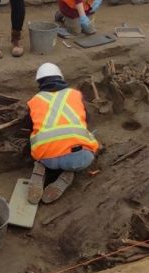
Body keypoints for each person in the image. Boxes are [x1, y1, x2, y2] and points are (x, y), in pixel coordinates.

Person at [23, 63, 100, 204]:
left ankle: (40, 168)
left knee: (38, 141)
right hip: (80, 158)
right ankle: (68, 173)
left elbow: (31, 129)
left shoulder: (34, 101)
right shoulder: (75, 95)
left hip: (48, 158)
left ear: (40, 82)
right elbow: (87, 120)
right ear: (61, 77)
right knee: (91, 139)